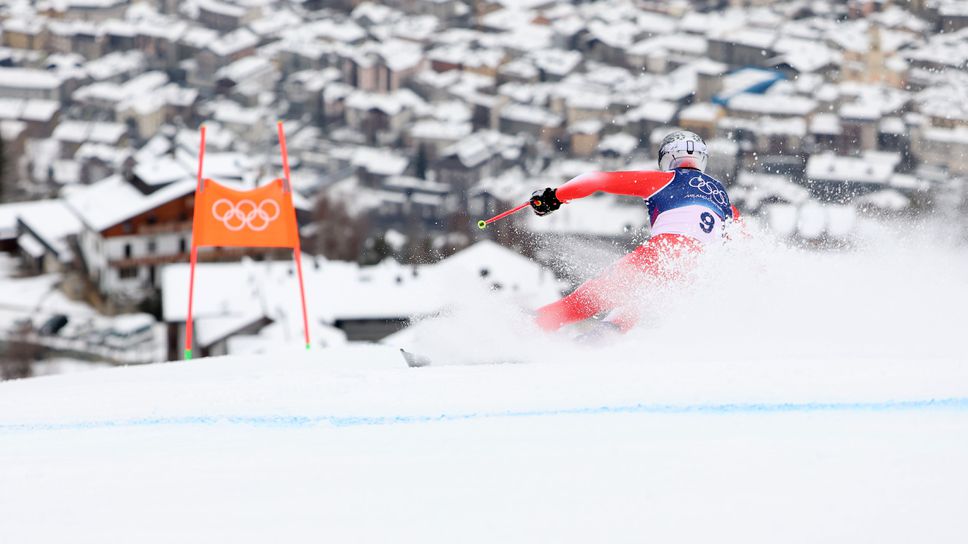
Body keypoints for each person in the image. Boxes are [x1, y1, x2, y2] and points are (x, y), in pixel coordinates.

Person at [529, 130, 740, 333]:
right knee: (635, 303)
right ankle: (596, 343)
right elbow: (743, 243)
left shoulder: (666, 180)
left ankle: (526, 329)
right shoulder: (724, 201)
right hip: (696, 269)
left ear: (667, 157)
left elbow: (595, 180)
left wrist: (554, 197)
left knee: (588, 300)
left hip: (663, 253)